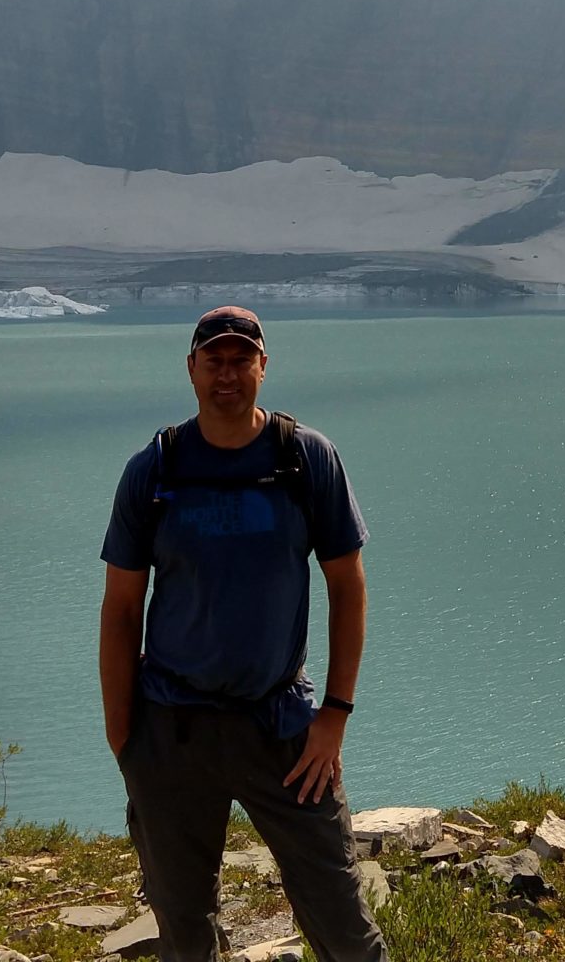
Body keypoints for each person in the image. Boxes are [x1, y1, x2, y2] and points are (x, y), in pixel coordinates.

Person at [99, 306, 387, 962]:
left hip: (282, 730)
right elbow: (121, 607)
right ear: (191, 369)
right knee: (184, 926)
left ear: (263, 367)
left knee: (342, 923)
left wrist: (335, 714)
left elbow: (348, 585)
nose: (226, 374)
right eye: (214, 361)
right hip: (171, 730)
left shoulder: (305, 458)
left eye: (240, 360)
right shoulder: (155, 469)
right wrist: (124, 735)